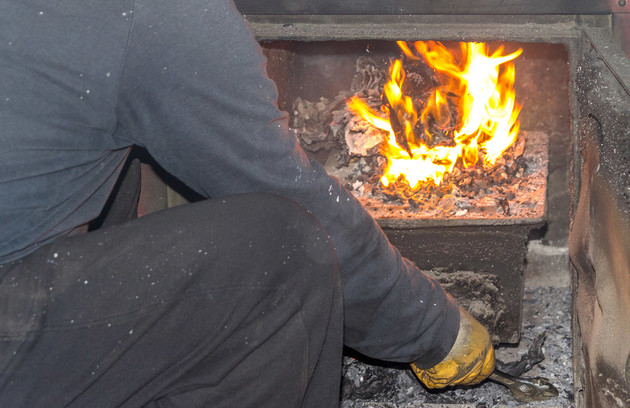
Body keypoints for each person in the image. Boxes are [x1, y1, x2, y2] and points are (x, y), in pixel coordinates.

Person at [0, 0, 495, 406]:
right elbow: (290, 192)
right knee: (284, 245)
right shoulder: (152, 13)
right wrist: (434, 328)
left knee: (114, 163)